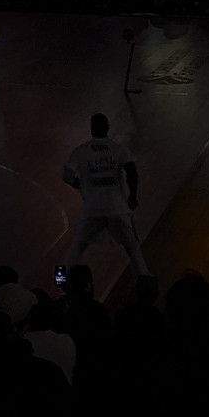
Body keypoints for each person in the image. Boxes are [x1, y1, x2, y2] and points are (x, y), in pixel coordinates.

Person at [62, 112, 153, 286]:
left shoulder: (81, 151)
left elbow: (67, 174)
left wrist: (79, 184)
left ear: (91, 129)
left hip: (92, 209)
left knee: (78, 246)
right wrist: (132, 197)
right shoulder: (117, 149)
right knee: (132, 249)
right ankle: (145, 282)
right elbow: (132, 169)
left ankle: (64, 284)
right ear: (108, 128)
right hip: (116, 208)